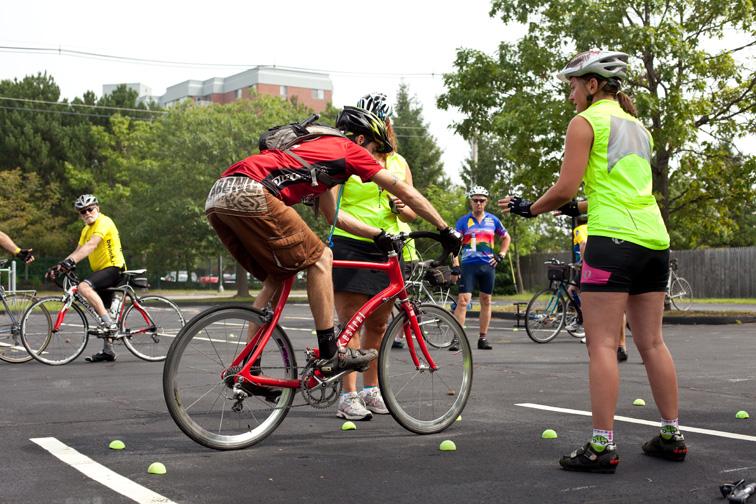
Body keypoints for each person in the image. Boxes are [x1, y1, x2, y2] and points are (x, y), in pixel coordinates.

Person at [500, 49, 686, 473]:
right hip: (654, 240)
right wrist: (576, 208)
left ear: (592, 84)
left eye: (572, 86)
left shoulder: (584, 122)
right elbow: (620, 190)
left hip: (612, 242)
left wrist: (531, 208)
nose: (570, 95)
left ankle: (602, 446)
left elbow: (565, 187)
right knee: (652, 342)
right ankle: (672, 435)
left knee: (601, 344)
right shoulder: (638, 127)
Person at [204, 106, 461, 389]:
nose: (374, 158)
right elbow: (404, 191)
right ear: (361, 140)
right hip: (253, 192)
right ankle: (330, 351)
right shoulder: (349, 150)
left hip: (219, 194)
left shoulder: (320, 155)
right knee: (321, 258)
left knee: (277, 276)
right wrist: (445, 228)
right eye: (374, 149)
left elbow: (333, 217)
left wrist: (376, 234)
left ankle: (248, 368)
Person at [329, 93, 418, 420]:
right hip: (352, 243)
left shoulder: (399, 163)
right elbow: (331, 209)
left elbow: (412, 211)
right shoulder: (345, 156)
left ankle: (370, 389)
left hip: (390, 247)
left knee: (379, 325)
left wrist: (403, 209)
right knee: (350, 323)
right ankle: (347, 394)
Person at [47, 195, 126, 362]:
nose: (87, 213)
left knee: (84, 287)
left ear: (97, 208)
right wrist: (59, 266)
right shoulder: (85, 230)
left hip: (114, 268)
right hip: (102, 271)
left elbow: (91, 245)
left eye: (90, 209)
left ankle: (111, 325)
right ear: (80, 215)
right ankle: (108, 351)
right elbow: (78, 251)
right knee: (103, 309)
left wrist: (70, 262)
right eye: (83, 211)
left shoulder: (104, 222)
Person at [449, 186, 510, 351]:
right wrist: (455, 265)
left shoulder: (493, 220)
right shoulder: (463, 221)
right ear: (471, 201)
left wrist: (501, 255)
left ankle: (483, 338)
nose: (478, 203)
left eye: (481, 200)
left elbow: (506, 237)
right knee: (463, 301)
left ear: (486, 202)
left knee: (486, 300)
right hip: (468, 265)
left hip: (487, 265)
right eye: (475, 200)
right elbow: (454, 245)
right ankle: (457, 339)